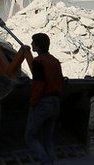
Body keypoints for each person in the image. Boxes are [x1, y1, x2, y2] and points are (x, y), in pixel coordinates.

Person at [25, 33, 63, 165]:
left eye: (33, 42)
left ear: (38, 45)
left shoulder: (38, 62)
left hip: (43, 103)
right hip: (55, 103)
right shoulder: (55, 61)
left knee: (30, 137)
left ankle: (46, 162)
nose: (31, 44)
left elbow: (39, 84)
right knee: (47, 138)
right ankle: (51, 161)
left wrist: (32, 102)